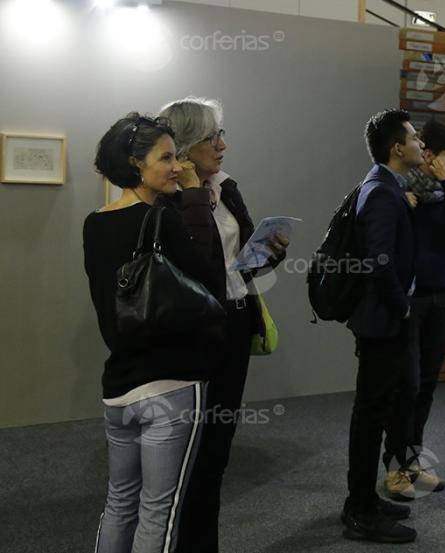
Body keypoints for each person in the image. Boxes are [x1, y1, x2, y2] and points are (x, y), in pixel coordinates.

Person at [155, 97, 288, 553]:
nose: (223, 145)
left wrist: (270, 251)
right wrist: (193, 193)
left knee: (216, 447)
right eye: (213, 137)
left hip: (234, 319)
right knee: (186, 449)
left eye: (221, 135)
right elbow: (199, 265)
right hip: (193, 329)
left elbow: (237, 262)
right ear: (186, 145)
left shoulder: (226, 187)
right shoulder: (165, 200)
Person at [84, 113, 214, 553]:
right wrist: (195, 199)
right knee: (160, 511)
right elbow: (208, 282)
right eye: (167, 158)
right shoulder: (163, 221)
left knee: (119, 503)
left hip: (119, 388)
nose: (178, 166)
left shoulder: (94, 223)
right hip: (170, 383)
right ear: (136, 164)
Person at [341, 109, 423, 544]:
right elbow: (378, 260)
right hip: (381, 321)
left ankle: (364, 501)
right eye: (414, 138)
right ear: (396, 148)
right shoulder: (381, 193)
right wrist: (402, 307)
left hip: (383, 318)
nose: (420, 144)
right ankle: (360, 510)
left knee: (375, 411)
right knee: (370, 416)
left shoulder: (384, 186)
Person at [382, 120, 445, 500]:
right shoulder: (398, 191)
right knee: (406, 386)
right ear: (430, 155)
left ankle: (411, 463)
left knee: (426, 386)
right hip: (409, 301)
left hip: (440, 298)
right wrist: (403, 205)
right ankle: (395, 470)